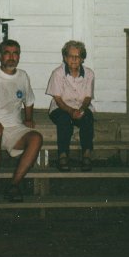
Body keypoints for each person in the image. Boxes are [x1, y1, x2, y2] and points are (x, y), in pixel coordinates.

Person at [0, 39, 43, 204]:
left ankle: (14, 185)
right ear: (0, 56)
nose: (11, 57)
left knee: (36, 138)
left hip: (15, 128)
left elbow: (29, 100)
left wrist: (28, 118)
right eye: (7, 53)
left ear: (19, 56)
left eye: (15, 53)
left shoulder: (23, 76)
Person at [45, 40, 95, 172]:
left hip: (80, 107)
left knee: (88, 117)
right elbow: (57, 98)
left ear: (82, 58)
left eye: (77, 56)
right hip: (61, 107)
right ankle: (62, 156)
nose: (74, 59)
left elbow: (88, 97)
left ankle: (86, 155)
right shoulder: (57, 73)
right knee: (64, 120)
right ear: (65, 57)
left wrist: (82, 110)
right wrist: (71, 111)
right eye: (70, 56)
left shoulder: (89, 74)